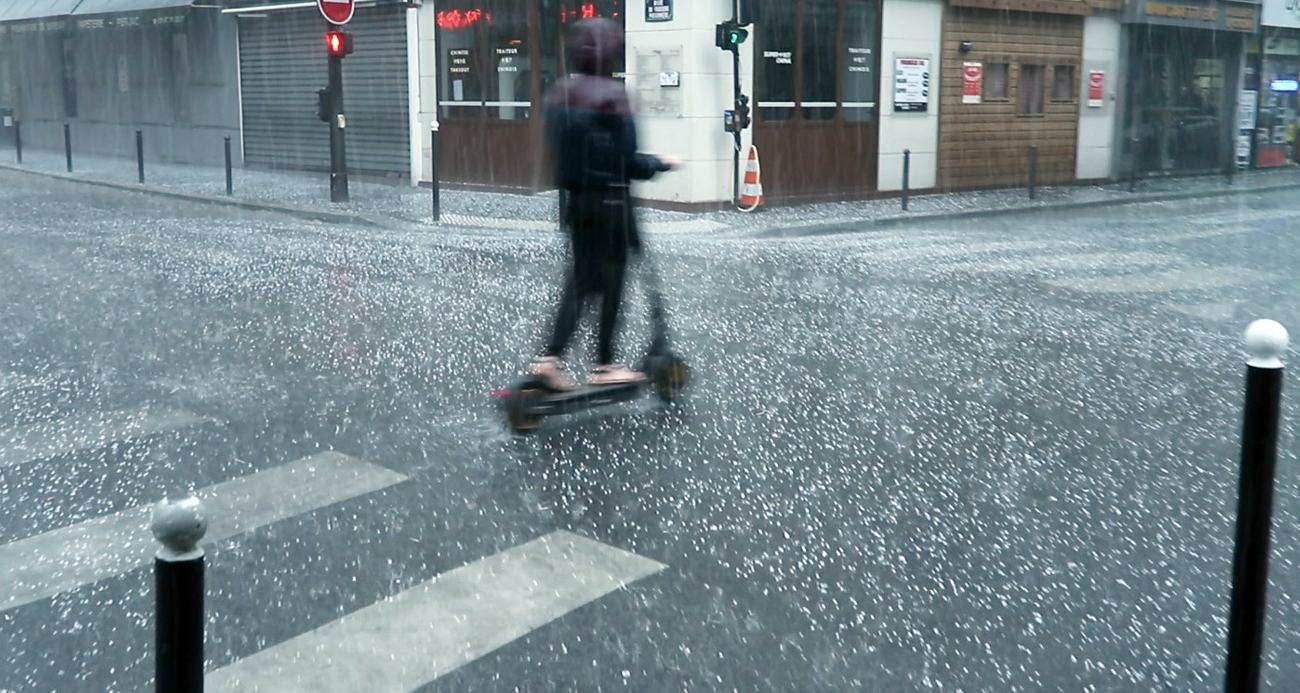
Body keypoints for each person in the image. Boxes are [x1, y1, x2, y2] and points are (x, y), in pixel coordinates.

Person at [529, 17, 680, 391]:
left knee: (580, 283)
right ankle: (605, 364)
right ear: (612, 52)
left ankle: (550, 358)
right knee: (613, 284)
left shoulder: (561, 93)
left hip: (576, 203)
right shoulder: (615, 96)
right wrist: (660, 162)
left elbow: (565, 155)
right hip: (612, 204)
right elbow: (627, 162)